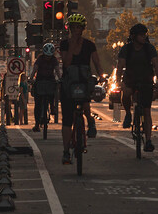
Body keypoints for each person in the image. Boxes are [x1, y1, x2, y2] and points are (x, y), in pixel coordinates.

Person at [59, 13, 104, 164]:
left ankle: (90, 121)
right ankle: (66, 151)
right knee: (67, 119)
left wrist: (102, 75)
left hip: (83, 80)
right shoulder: (65, 44)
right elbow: (66, 63)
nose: (76, 30)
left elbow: (96, 63)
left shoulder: (89, 45)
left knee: (85, 105)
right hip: (69, 82)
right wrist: (72, 46)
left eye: (78, 28)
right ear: (69, 29)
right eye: (73, 28)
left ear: (83, 29)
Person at [118, 23, 158, 152]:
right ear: (134, 36)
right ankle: (127, 114)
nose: (144, 37)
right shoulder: (126, 49)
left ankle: (148, 141)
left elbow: (156, 65)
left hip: (146, 80)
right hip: (130, 78)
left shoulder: (149, 48)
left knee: (147, 111)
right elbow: (120, 65)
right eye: (141, 35)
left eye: (145, 35)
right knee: (125, 93)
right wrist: (118, 81)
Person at [31, 42, 60, 132]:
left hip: (50, 80)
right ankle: (37, 124)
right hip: (40, 80)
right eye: (47, 56)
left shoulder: (54, 60)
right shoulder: (40, 59)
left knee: (54, 89)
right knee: (37, 104)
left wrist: (60, 78)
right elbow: (35, 69)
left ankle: (52, 106)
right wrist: (31, 78)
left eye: (49, 56)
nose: (48, 58)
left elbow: (57, 70)